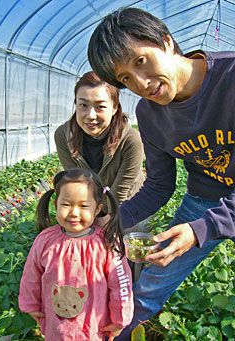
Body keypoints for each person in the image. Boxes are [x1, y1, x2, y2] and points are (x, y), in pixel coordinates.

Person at [88, 6, 235, 339]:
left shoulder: (230, 79)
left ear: (166, 42)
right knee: (153, 282)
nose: (140, 83)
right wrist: (108, 224)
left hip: (207, 215)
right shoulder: (150, 115)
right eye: (125, 78)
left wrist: (202, 230)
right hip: (206, 198)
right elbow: (158, 186)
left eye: (141, 61)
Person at [18, 168, 133, 340]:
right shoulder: (45, 241)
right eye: (66, 204)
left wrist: (120, 319)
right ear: (56, 204)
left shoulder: (107, 244)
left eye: (83, 205)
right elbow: (31, 276)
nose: (74, 212)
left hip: (93, 328)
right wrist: (31, 304)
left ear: (97, 209)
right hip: (55, 327)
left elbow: (120, 284)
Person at [54, 71, 144, 210]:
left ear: (114, 108)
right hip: (89, 205)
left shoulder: (131, 140)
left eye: (100, 107)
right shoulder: (63, 136)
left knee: (126, 230)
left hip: (128, 206)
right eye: (83, 105)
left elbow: (120, 192)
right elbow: (76, 181)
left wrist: (108, 221)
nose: (90, 115)